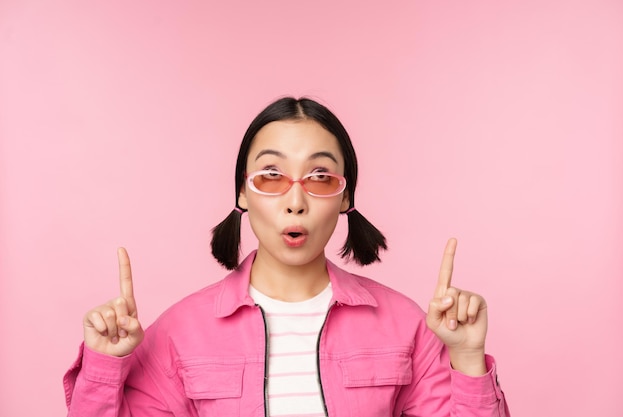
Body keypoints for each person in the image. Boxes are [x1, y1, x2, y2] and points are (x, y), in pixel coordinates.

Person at [64, 97, 510, 416]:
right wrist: (104, 366)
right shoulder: (178, 332)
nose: (295, 201)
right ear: (242, 191)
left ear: (345, 196)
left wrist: (469, 360)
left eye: (319, 176)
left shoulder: (406, 324)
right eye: (272, 176)